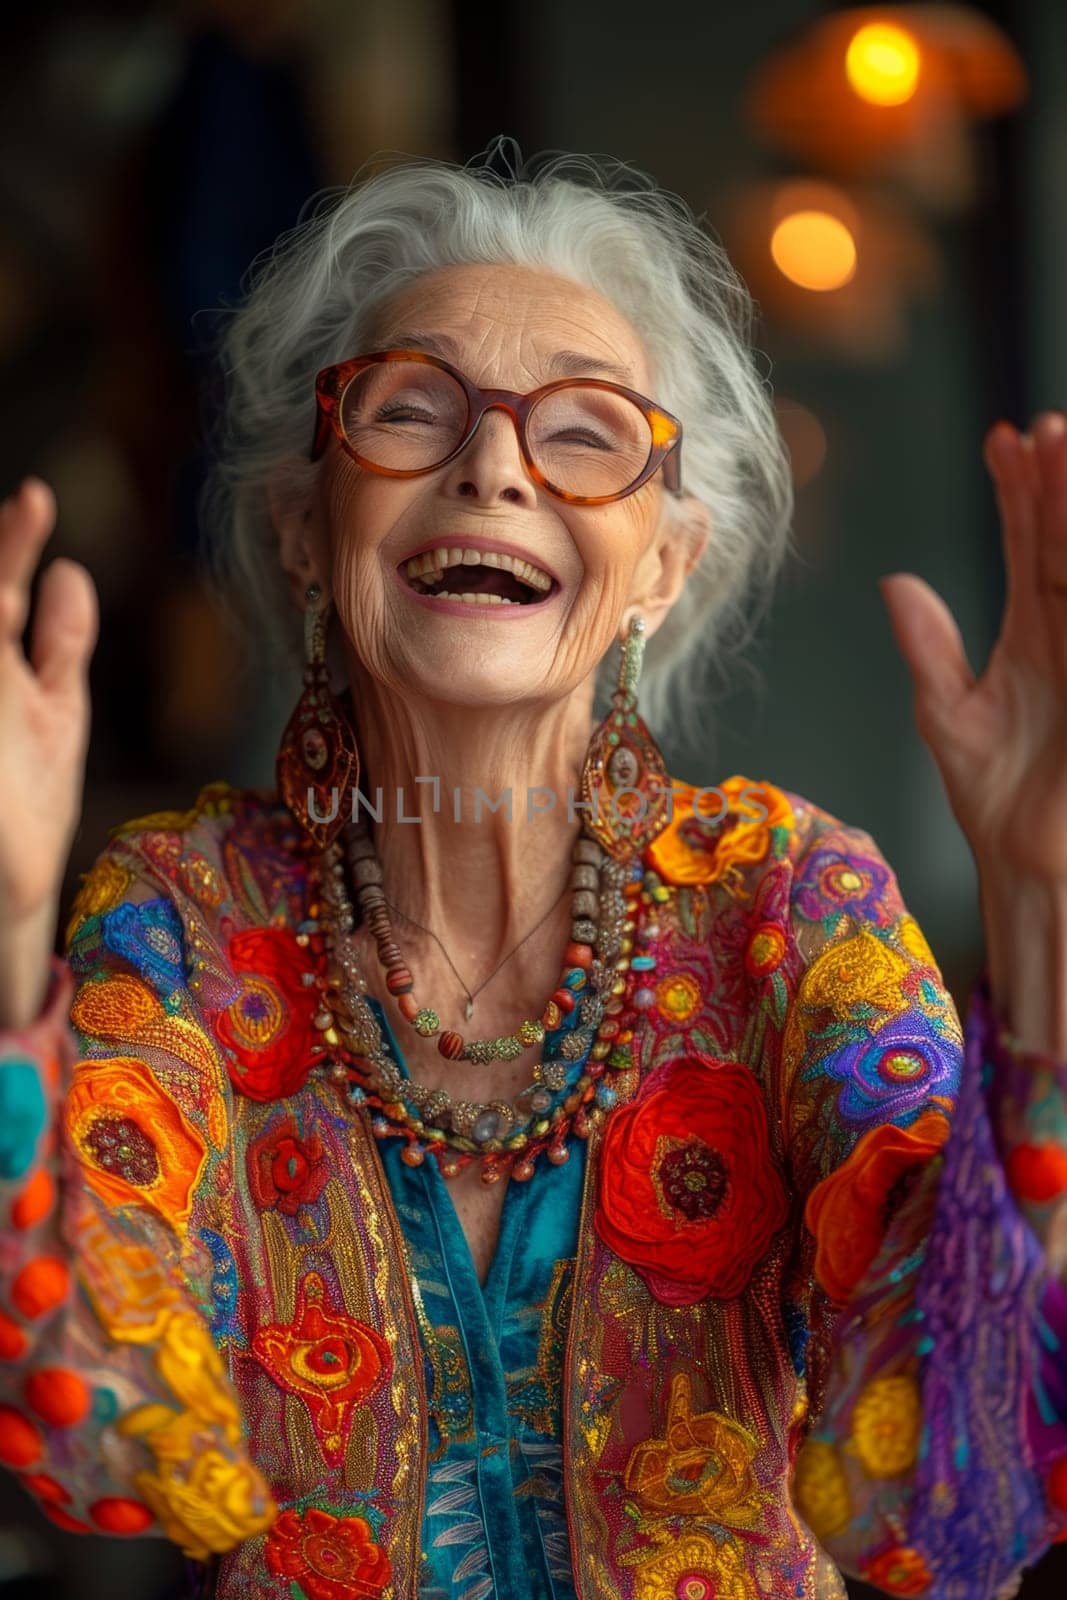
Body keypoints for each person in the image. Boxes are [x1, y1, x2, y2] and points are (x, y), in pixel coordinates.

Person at [0, 139, 1065, 1600]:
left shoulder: (789, 906)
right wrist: (4, 936)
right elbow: (111, 1444)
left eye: (583, 432)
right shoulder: (188, 918)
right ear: (311, 533)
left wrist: (1046, 908)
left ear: (663, 566)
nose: (494, 463)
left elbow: (945, 1497)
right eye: (412, 411)